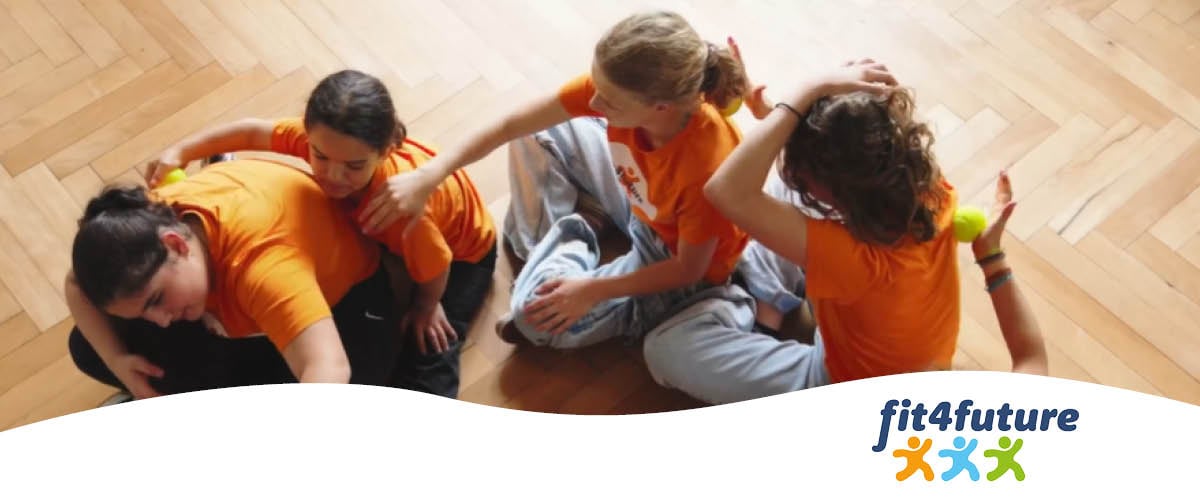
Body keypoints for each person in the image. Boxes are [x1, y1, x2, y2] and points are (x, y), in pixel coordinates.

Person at [347, 11, 775, 349]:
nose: (593, 100)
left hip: (676, 258)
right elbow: (511, 124)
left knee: (534, 318)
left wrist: (593, 290)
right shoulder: (620, 91)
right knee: (535, 133)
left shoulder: (708, 168)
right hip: (640, 200)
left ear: (661, 107)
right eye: (596, 85)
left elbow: (688, 268)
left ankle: (566, 251)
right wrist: (431, 173)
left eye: (609, 101)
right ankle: (577, 236)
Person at [642, 61, 1047, 404]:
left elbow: (725, 191)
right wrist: (991, 256)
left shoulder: (922, 199)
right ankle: (769, 303)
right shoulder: (930, 194)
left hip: (834, 378)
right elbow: (1032, 359)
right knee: (783, 190)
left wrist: (803, 95)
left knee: (663, 350)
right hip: (858, 320)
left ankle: (753, 307)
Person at [142, 70, 496, 398]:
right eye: (320, 156)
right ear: (309, 135)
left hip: (464, 253)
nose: (332, 175)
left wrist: (426, 305)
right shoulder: (331, 141)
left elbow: (438, 261)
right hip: (386, 232)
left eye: (354, 166)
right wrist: (182, 151)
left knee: (432, 352)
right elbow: (252, 132)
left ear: (386, 150)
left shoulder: (398, 210)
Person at [68, 160, 403, 400]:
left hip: (344, 309)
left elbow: (329, 366)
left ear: (176, 244)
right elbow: (76, 285)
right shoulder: (140, 221)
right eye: (144, 311)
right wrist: (117, 361)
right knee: (88, 347)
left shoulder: (262, 267)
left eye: (156, 300)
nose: (161, 321)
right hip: (244, 297)